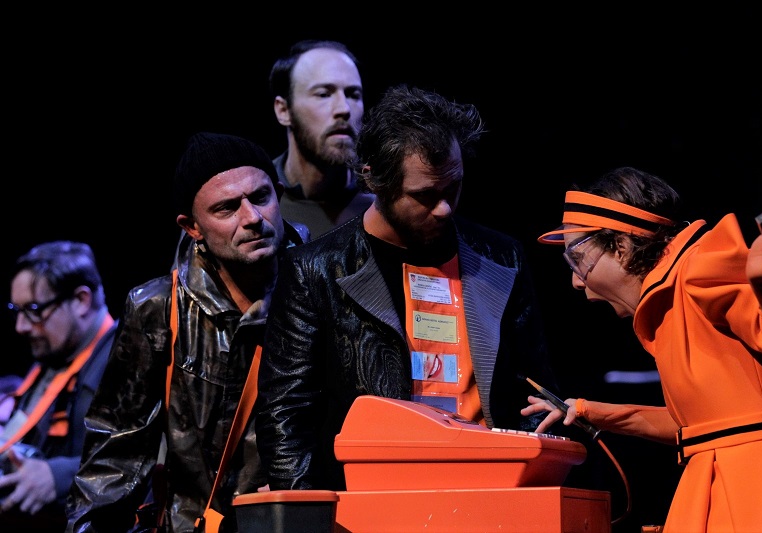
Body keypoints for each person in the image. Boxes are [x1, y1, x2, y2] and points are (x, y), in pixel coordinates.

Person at [255, 84, 560, 491]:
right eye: (424, 195)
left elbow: (538, 393)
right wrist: (307, 510)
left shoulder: (502, 259)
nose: (444, 208)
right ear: (374, 180)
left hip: (490, 490)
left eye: (453, 187)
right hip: (371, 497)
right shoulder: (315, 271)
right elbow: (285, 413)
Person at [525, 166, 762, 532]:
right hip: (720, 479)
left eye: (578, 259)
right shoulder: (667, 302)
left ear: (621, 248)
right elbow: (695, 424)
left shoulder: (699, 267)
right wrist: (587, 410)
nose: (576, 281)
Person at [65, 132, 308, 532]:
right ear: (192, 226)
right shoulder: (159, 308)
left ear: (278, 194)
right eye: (226, 208)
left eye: (260, 197)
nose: (251, 217)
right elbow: (114, 457)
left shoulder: (322, 285)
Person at [1, 241, 116, 532]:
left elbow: (139, 457)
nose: (20, 326)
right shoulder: (55, 356)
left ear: (80, 300)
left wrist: (57, 476)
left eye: (34, 309)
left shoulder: (122, 360)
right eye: (17, 310)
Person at [269, 39, 375, 239]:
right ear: (283, 110)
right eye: (324, 94)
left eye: (353, 94)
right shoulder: (256, 203)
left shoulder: (385, 200)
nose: (344, 108)